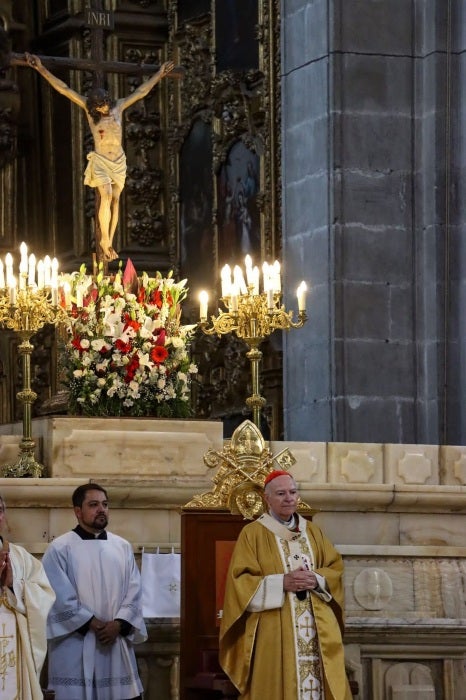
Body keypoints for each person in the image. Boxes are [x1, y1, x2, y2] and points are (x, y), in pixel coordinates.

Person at [25, 53, 174, 261]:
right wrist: (41, 69)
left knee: (115, 199)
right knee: (104, 194)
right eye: (101, 106)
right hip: (101, 161)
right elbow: (64, 89)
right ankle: (104, 239)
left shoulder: (118, 107)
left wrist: (159, 74)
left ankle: (109, 241)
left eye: (105, 103)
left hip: (118, 161)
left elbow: (141, 92)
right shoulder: (88, 110)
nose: (104, 108)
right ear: (94, 106)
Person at [219, 470, 352, 700]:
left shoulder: (313, 532)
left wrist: (316, 578)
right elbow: (240, 582)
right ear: (267, 498)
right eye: (281, 493)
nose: (289, 498)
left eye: (293, 492)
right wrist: (281, 582)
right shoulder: (253, 534)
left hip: (317, 628)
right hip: (275, 629)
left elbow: (335, 568)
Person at [42, 483, 147, 700]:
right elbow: (56, 594)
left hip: (114, 642)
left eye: (105, 504)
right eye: (93, 505)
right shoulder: (60, 548)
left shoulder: (122, 547)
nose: (101, 510)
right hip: (75, 644)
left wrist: (119, 624)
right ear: (78, 511)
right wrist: (92, 623)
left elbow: (134, 590)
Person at [0, 493, 56, 699]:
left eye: (0, 510)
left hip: (15, 648)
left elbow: (45, 594)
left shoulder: (21, 558)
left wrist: (15, 585)